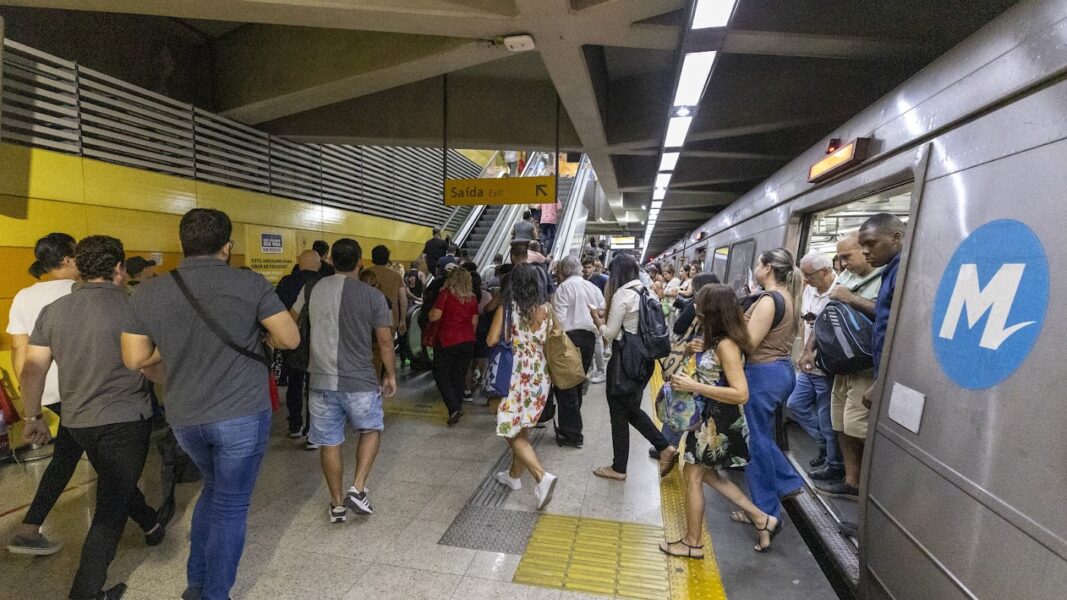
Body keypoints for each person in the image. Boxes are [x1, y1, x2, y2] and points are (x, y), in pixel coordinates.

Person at [123, 208, 300, 600]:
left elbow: (135, 359)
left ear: (183, 244)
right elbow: (289, 339)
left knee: (213, 488)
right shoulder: (250, 284)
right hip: (241, 413)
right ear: (228, 245)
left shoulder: (148, 290)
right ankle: (214, 594)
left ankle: (197, 585)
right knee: (232, 505)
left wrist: (177, 369)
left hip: (185, 414)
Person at [20, 236, 162, 600]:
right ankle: (85, 592)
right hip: (126, 418)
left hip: (77, 420)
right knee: (109, 509)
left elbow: (33, 369)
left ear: (79, 268)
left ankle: (151, 523)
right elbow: (154, 366)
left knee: (117, 481)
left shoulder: (54, 310)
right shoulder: (135, 305)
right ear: (118, 268)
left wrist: (32, 416)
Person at [659, 284, 781, 558]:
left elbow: (741, 392)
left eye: (700, 306)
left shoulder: (726, 345)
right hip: (708, 419)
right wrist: (694, 351)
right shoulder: (718, 340)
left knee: (693, 476)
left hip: (715, 422)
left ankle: (693, 544)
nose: (696, 311)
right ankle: (762, 518)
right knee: (707, 475)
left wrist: (694, 386)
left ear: (711, 311)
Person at [292, 238, 396, 523]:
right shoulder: (372, 296)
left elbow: (291, 322)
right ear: (360, 261)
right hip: (359, 379)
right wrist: (390, 374)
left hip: (320, 380)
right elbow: (385, 342)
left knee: (330, 442)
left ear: (331, 261)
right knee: (371, 428)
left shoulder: (311, 289)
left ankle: (337, 505)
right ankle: (358, 488)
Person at [716, 248, 805, 525]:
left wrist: (729, 330)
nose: (755, 267)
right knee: (760, 436)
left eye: (758, 263)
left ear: (767, 268)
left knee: (754, 442)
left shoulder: (769, 300)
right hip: (778, 371)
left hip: (763, 373)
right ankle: (783, 486)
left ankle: (766, 509)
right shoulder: (788, 297)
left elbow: (750, 343)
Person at [5, 234, 80, 556]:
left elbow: (19, 350)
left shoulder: (24, 295)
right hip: (83, 388)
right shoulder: (81, 290)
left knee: (70, 453)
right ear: (66, 259)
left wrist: (30, 404)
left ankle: (29, 527)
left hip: (47, 392)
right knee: (108, 458)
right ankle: (149, 522)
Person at [589, 253, 678, 481]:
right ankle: (620, 466)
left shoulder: (623, 293)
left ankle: (663, 447)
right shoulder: (647, 291)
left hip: (624, 360)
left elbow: (610, 334)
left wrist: (597, 319)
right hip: (644, 360)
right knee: (624, 410)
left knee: (623, 409)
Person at [817, 234, 883, 502]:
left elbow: (888, 315)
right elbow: (828, 313)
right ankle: (850, 479)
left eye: (847, 257)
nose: (842, 264)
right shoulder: (846, 278)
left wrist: (851, 299)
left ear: (864, 251)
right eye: (839, 258)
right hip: (842, 365)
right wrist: (811, 348)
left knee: (859, 427)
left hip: (865, 366)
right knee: (841, 423)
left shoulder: (883, 277)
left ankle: (867, 489)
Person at [488, 264, 558, 510]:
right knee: (522, 424)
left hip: (514, 375)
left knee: (509, 427)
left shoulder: (507, 309)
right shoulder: (546, 311)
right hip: (539, 377)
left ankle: (541, 477)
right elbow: (552, 341)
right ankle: (514, 477)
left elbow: (491, 339)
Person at [650, 272, 721, 459]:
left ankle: (667, 444)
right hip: (709, 372)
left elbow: (679, 326)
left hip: (697, 368)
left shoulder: (700, 308)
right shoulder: (725, 308)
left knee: (681, 401)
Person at [787, 253, 842, 482]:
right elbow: (805, 324)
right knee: (795, 404)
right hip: (808, 365)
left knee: (827, 418)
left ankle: (833, 463)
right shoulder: (810, 290)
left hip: (827, 367)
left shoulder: (840, 291)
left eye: (810, 275)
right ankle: (823, 443)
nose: (806, 281)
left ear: (826, 272)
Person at [550, 257, 605, 447]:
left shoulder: (564, 288)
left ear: (563, 272)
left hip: (569, 339)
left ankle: (573, 433)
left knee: (565, 385)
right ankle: (570, 427)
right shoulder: (594, 288)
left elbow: (559, 321)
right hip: (589, 338)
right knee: (577, 381)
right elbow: (601, 314)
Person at [275, 250, 322, 440]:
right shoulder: (323, 283)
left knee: (294, 383)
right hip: (318, 342)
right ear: (318, 265)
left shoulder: (286, 282)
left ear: (299, 263)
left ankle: (295, 424)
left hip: (292, 340)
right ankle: (312, 430)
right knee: (315, 386)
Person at [428, 267, 480, 424]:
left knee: (440, 373)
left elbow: (434, 316)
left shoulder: (445, 295)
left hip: (447, 340)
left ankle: (453, 407)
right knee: (459, 375)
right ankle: (456, 407)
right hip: (467, 341)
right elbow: (474, 322)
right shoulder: (472, 299)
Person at [368, 245, 408, 378]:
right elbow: (403, 299)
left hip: (368, 319)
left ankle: (373, 377)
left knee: (371, 350)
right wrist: (402, 320)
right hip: (391, 319)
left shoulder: (366, 274)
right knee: (386, 348)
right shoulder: (396, 276)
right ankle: (385, 377)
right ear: (387, 258)